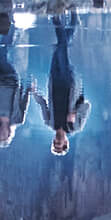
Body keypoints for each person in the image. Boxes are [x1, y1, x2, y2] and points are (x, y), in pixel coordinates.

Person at [32, 11, 90, 155]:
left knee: (60, 48)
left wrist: (34, 92)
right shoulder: (75, 127)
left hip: (54, 81)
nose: (57, 141)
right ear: (66, 143)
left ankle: (73, 19)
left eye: (55, 144)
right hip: (69, 83)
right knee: (60, 48)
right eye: (60, 144)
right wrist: (75, 113)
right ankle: (56, 17)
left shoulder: (49, 122)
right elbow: (87, 106)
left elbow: (43, 104)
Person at [0, 18, 32, 147]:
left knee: (2, 53)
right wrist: (28, 88)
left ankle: (9, 29)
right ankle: (10, 28)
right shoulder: (18, 119)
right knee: (4, 53)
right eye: (3, 136)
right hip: (12, 80)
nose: (1, 133)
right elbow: (24, 101)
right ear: (8, 134)